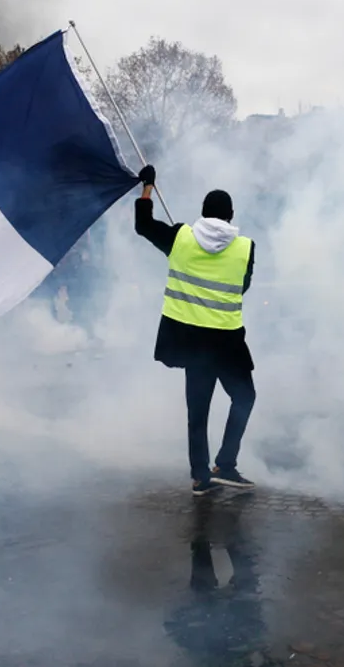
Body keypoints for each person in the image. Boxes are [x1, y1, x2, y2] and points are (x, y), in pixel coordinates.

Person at [134, 164, 258, 497]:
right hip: (227, 343)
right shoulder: (245, 248)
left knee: (197, 414)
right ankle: (226, 464)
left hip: (191, 343)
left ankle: (200, 478)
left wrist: (148, 186)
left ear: (202, 213)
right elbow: (241, 287)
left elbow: (143, 225)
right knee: (244, 397)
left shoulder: (179, 238)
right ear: (231, 216)